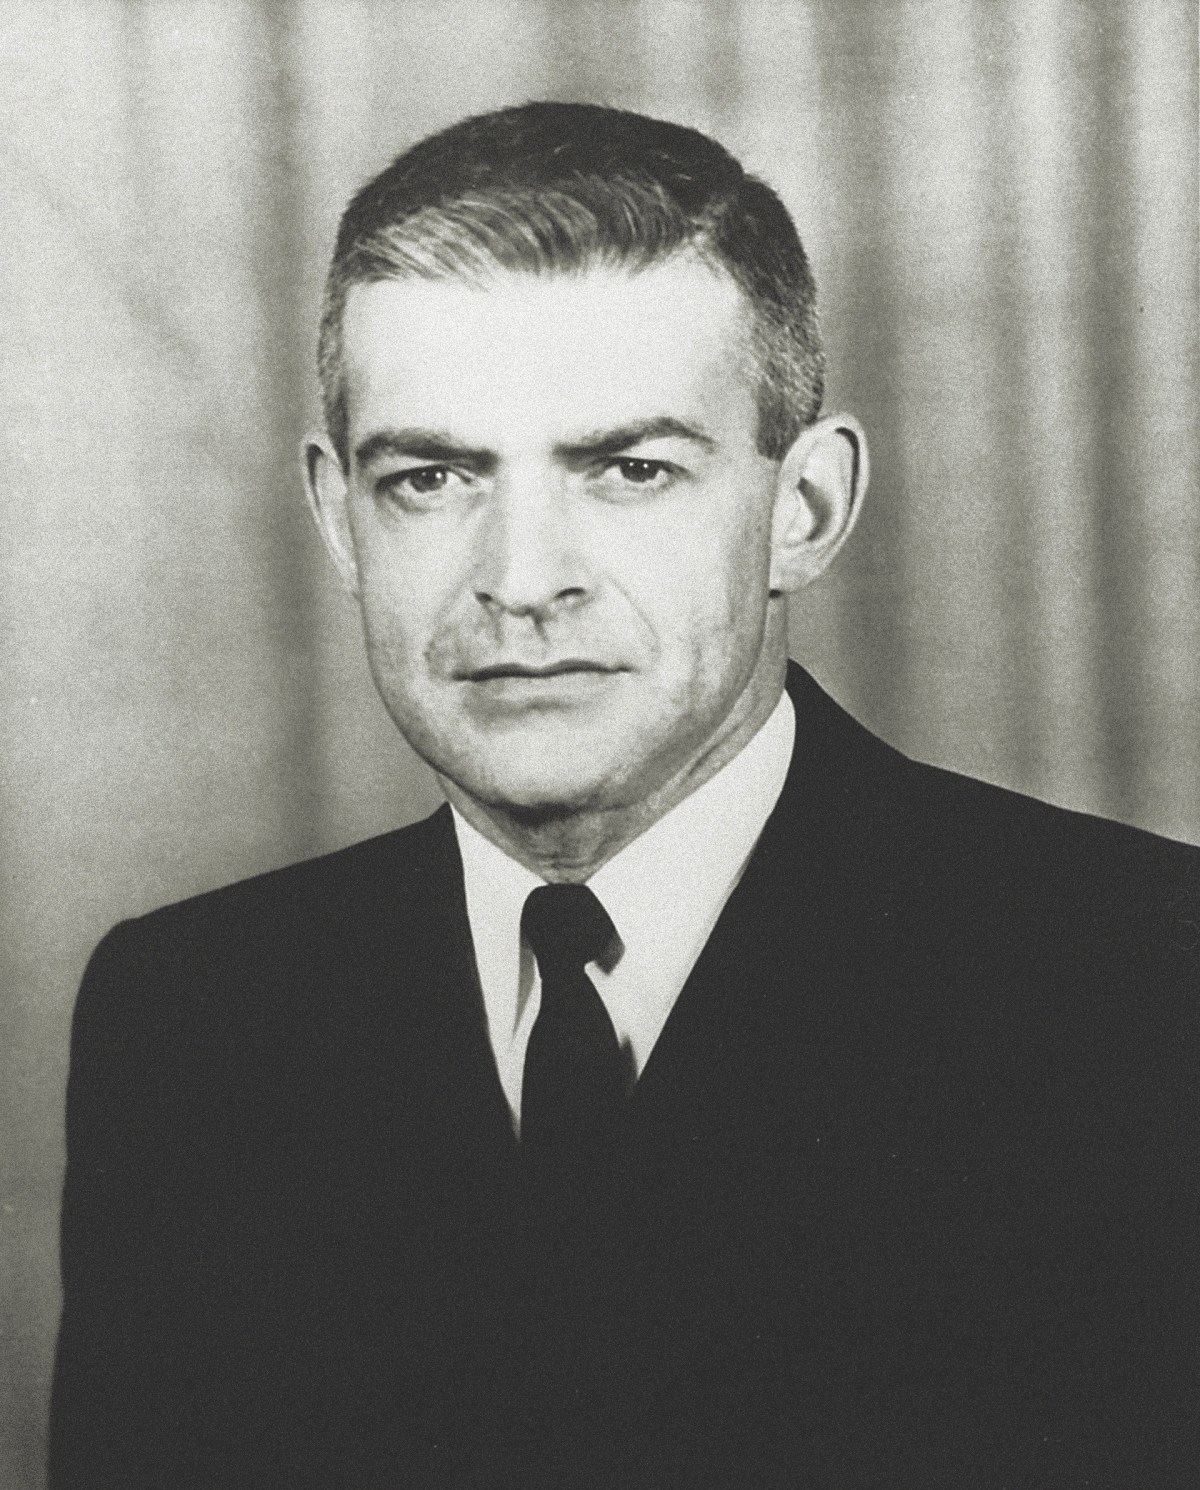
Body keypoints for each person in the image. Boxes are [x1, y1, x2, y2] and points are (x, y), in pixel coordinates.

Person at [49, 102, 1198, 1489]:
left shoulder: (1139, 982)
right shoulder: (191, 1024)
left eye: (629, 470)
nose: (522, 578)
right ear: (339, 519)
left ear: (804, 510)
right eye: (430, 478)